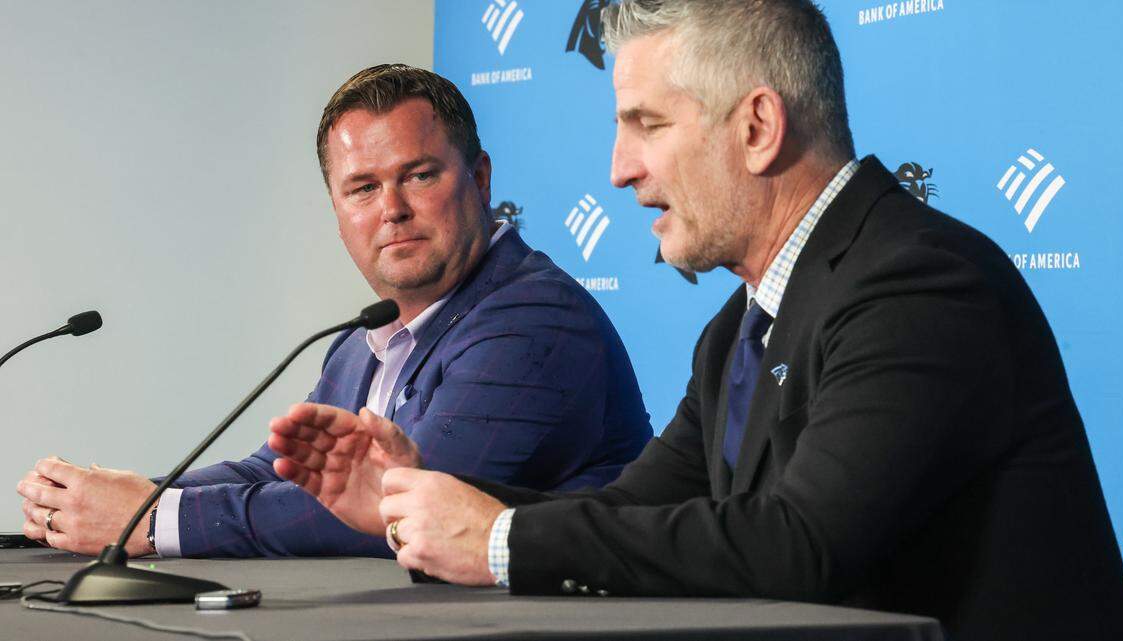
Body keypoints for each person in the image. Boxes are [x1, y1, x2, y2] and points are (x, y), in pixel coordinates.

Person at [267, 3, 1123, 640]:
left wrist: (493, 537)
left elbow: (803, 544)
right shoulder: (737, 328)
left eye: (645, 124)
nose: (619, 170)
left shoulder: (918, 282)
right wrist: (415, 505)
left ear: (757, 126)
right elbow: (623, 513)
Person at [16, 65, 652, 560]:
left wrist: (151, 522)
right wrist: (127, 499)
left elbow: (391, 509)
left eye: (420, 175)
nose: (392, 209)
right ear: (337, 209)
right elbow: (280, 473)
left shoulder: (534, 321)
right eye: (363, 188)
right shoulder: (365, 337)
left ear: (481, 180)